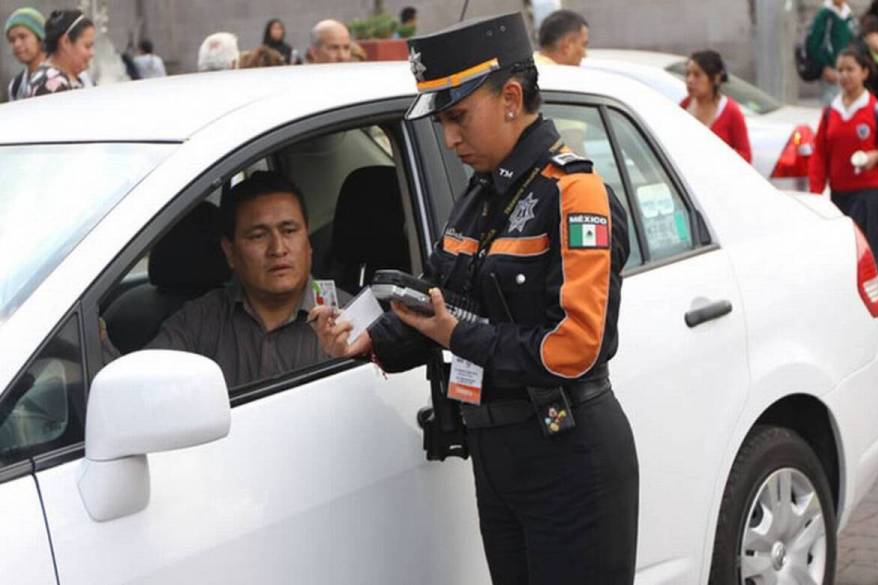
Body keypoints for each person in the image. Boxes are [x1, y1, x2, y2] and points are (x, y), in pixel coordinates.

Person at [311, 13, 638, 585]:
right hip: (498, 456)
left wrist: (460, 336)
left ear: (511, 98)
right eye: (442, 122)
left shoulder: (576, 194)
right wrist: (365, 340)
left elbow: (576, 346)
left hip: (568, 454)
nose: (449, 139)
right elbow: (435, 298)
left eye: (458, 117)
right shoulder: (478, 197)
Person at [144, 171, 340, 388]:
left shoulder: (349, 320)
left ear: (308, 242)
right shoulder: (200, 322)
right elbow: (141, 388)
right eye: (258, 236)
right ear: (230, 251)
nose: (278, 249)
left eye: (289, 231)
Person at [809, 45, 878, 306]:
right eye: (840, 70)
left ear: (864, 72)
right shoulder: (831, 112)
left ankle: (869, 296)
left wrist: (875, 157)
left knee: (862, 243)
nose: (845, 75)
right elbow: (820, 156)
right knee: (849, 245)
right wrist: (817, 193)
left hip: (869, 188)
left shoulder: (877, 111)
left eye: (850, 69)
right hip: (840, 191)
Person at [680, 50, 752, 163]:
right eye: (687, 74)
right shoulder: (685, 106)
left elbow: (745, 154)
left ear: (715, 78)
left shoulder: (730, 111)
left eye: (697, 75)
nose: (690, 80)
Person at [27, 9, 94, 97]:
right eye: (87, 46)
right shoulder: (50, 84)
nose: (92, 53)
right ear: (65, 42)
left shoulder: (81, 78)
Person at [807, 0, 855, 105]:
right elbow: (813, 44)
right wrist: (824, 67)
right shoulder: (825, 14)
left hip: (845, 68)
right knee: (831, 104)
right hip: (831, 68)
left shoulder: (848, 15)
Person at [5, 7, 45, 100]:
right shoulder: (16, 86)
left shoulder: (60, 76)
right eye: (12, 40)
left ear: (40, 38)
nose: (17, 44)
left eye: (23, 37)